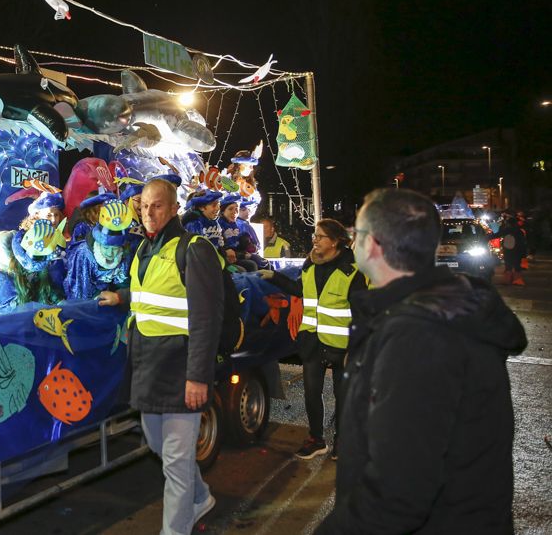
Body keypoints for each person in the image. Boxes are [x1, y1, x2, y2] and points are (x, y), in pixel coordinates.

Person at [315, 188, 527, 535]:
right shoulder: (435, 312)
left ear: (375, 244)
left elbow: (398, 491)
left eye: (358, 234)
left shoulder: (418, 335)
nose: (353, 242)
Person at [97, 178, 222, 534]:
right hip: (149, 369)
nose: (149, 213)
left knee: (177, 465)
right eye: (145, 206)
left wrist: (198, 376)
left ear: (173, 208)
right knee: (160, 448)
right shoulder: (143, 250)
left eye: (158, 206)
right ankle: (202, 497)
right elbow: (150, 294)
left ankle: (176, 528)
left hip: (182, 372)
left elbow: (206, 319)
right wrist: (122, 297)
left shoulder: (194, 248)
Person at [259, 218, 367, 459]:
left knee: (343, 395)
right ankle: (316, 440)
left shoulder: (352, 271)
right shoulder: (310, 264)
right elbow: (301, 290)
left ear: (336, 241)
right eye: (314, 236)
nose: (315, 240)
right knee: (311, 393)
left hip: (341, 345)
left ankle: (342, 441)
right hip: (312, 341)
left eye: (320, 237)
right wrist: (274, 277)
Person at [63, 196, 133, 299]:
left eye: (114, 249)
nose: (110, 253)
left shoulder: (125, 254)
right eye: (106, 248)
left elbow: (123, 283)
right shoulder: (84, 255)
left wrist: (119, 297)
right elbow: (80, 290)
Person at [217, 195, 258, 272]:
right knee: (250, 265)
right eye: (230, 209)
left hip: (236, 256)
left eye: (237, 209)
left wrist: (247, 244)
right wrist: (243, 255)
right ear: (222, 211)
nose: (234, 212)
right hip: (224, 260)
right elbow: (223, 248)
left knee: (260, 262)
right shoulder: (218, 225)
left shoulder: (236, 225)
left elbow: (252, 247)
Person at [494, 212, 528, 285]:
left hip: (508, 250)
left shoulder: (507, 230)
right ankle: (517, 280)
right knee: (517, 266)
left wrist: (485, 238)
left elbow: (497, 235)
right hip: (517, 251)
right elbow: (523, 243)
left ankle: (508, 280)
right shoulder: (520, 231)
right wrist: (523, 254)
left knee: (508, 265)